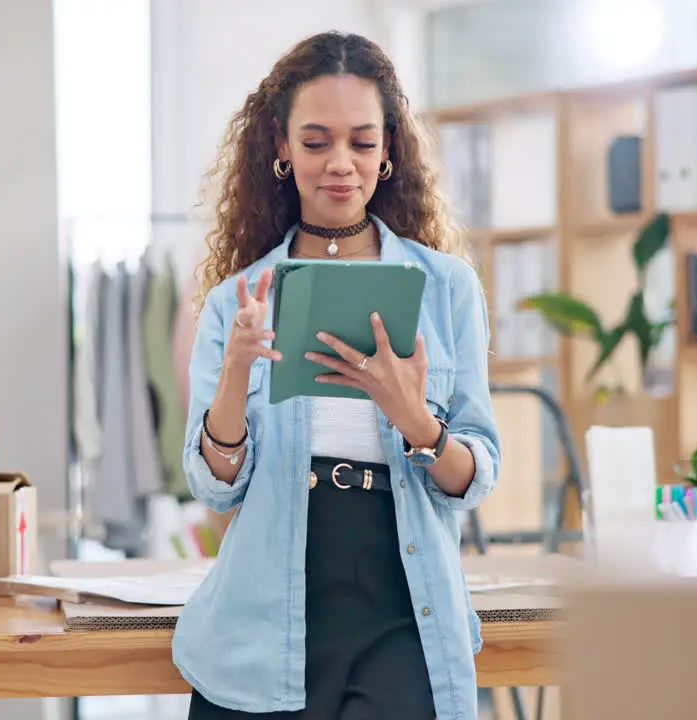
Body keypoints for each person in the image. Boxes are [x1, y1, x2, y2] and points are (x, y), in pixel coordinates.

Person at [175, 31, 501, 720]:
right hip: (266, 605)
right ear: (282, 148)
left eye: (361, 141)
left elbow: (476, 478)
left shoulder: (446, 289)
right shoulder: (236, 298)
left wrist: (416, 420)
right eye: (317, 141)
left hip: (402, 600)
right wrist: (236, 373)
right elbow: (214, 484)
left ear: (388, 151)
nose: (340, 164)